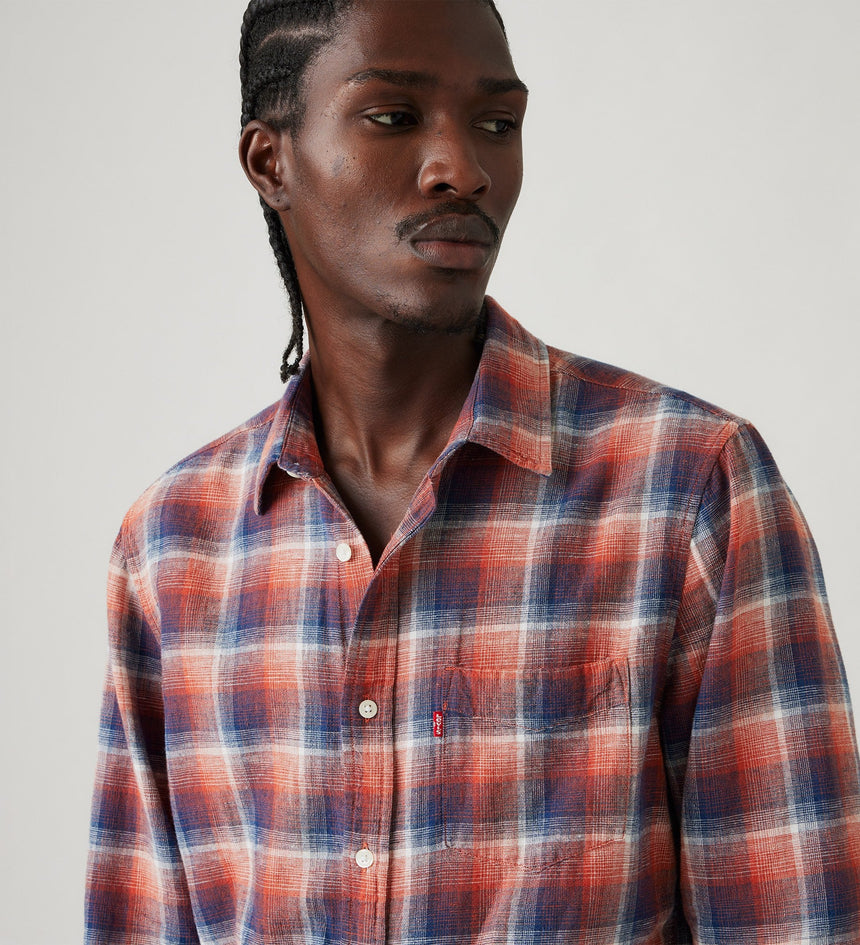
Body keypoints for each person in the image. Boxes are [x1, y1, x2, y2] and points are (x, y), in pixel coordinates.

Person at [85, 1, 860, 942]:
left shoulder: (691, 491)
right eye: (393, 116)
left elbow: (797, 919)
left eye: (497, 123)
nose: (464, 168)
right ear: (269, 161)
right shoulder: (171, 547)